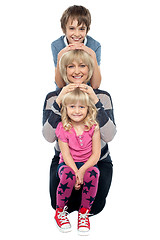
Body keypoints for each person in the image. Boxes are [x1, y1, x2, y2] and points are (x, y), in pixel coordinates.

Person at [42, 49, 116, 231]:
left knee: (95, 208)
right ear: (63, 70)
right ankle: (62, 212)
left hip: (96, 160)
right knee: (58, 203)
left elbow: (110, 135)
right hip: (66, 159)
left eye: (82, 65)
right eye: (71, 66)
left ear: (89, 69)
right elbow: (48, 136)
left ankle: (84, 213)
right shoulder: (53, 97)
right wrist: (59, 102)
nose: (77, 71)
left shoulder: (102, 96)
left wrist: (95, 102)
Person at [54, 88, 101, 234]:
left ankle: (84, 213)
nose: (77, 111)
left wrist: (82, 171)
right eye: (72, 107)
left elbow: (96, 154)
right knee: (68, 174)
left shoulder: (93, 127)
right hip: (67, 165)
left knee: (93, 173)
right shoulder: (63, 127)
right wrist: (75, 172)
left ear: (88, 108)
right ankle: (60, 211)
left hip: (87, 164)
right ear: (66, 108)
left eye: (81, 107)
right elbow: (66, 155)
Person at [51, 5, 101, 89]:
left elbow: (95, 85)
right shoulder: (57, 45)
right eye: (72, 28)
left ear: (87, 29)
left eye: (81, 29)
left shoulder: (94, 45)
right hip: (66, 92)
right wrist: (60, 56)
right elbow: (60, 85)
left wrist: (92, 54)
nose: (77, 34)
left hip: (86, 91)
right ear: (64, 29)